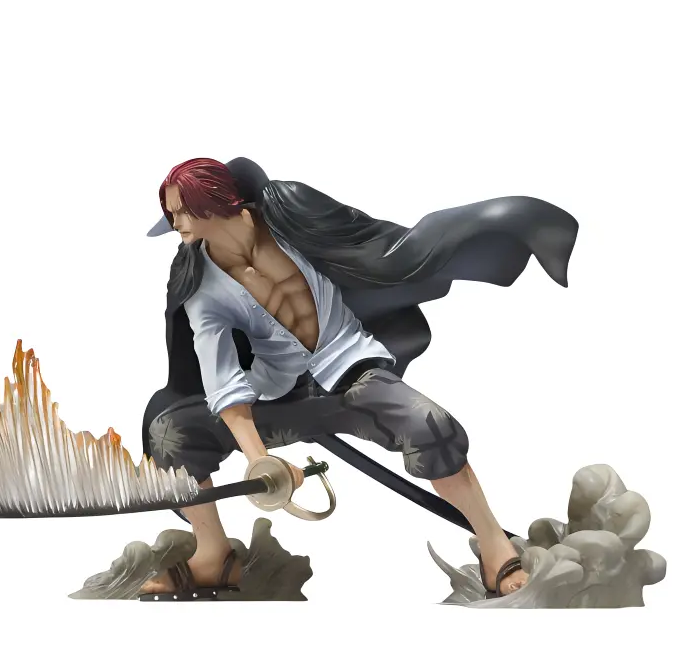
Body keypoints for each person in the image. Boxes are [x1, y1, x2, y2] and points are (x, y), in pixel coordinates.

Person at [140, 157, 578, 599]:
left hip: (351, 372)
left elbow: (368, 243)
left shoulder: (288, 213)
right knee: (170, 432)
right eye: (171, 212)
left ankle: (495, 548)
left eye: (183, 210)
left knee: (432, 426)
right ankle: (213, 557)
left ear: (217, 201)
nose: (175, 222)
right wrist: (260, 461)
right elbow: (224, 381)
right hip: (279, 395)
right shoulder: (201, 285)